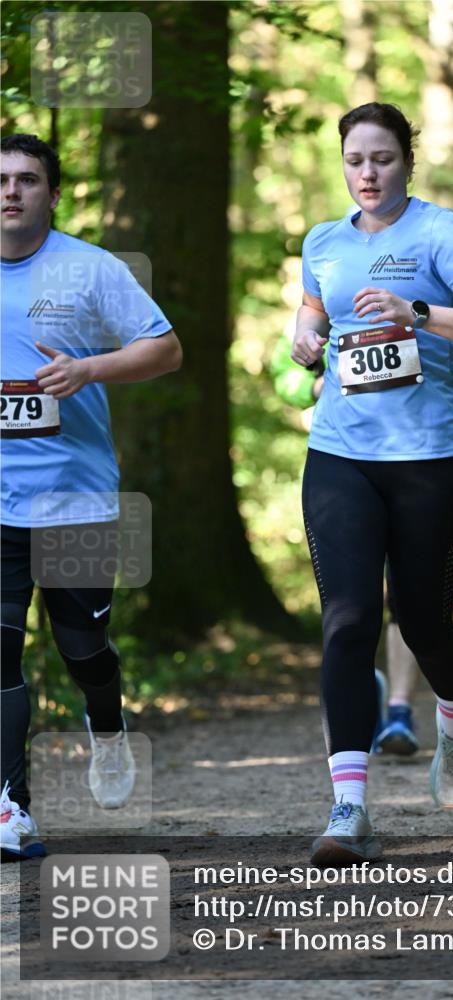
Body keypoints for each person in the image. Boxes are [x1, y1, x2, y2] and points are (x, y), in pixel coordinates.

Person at [291, 103, 453, 866]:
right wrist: (304, 338)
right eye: (355, 159)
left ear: (405, 163)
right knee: (348, 621)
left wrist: (417, 310)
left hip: (429, 457)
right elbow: (312, 311)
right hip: (340, 454)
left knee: (423, 624)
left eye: (382, 159)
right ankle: (348, 808)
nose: (366, 173)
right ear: (341, 163)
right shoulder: (321, 241)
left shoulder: (438, 232)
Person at [0, 134, 182, 859]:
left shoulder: (88, 268)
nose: (10, 190)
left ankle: (106, 725)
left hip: (74, 497)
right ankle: (12, 806)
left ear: (52, 191)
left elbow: (164, 348)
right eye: (1, 179)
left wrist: (89, 370)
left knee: (81, 647)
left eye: (27, 179)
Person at [272, 328, 453, 757]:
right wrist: (321, 380)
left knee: (409, 608)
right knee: (350, 613)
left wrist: (413, 373)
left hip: (420, 467)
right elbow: (284, 378)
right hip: (346, 469)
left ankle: (400, 707)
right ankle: (372, 708)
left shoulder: (424, 302)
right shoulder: (325, 303)